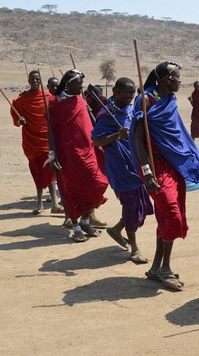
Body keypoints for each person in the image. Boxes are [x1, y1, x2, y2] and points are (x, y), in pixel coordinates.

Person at [131, 62, 199, 291]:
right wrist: (146, 171)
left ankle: (157, 267)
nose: (179, 81)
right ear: (165, 79)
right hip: (154, 166)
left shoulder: (170, 101)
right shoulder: (146, 100)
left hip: (172, 164)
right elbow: (138, 137)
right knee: (171, 214)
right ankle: (165, 268)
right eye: (176, 78)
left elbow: (176, 134)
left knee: (166, 215)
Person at [92, 77, 153, 264]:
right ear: (117, 92)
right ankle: (134, 248)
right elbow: (97, 140)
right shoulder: (106, 114)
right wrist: (116, 136)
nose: (130, 97)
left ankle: (117, 229)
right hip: (119, 165)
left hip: (135, 162)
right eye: (127, 93)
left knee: (140, 204)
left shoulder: (131, 110)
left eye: (133, 93)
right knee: (131, 204)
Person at [49, 69, 109, 242]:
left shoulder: (81, 101)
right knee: (71, 190)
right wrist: (53, 157)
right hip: (67, 155)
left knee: (98, 183)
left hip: (88, 151)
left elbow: (88, 125)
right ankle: (76, 226)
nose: (82, 87)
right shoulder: (55, 103)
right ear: (68, 85)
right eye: (78, 84)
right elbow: (51, 133)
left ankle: (85, 220)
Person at [11, 70, 62, 215]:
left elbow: (55, 114)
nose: (34, 82)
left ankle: (54, 204)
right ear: (28, 81)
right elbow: (16, 117)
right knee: (37, 172)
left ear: (40, 81)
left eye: (37, 79)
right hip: (32, 142)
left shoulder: (47, 97)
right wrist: (19, 121)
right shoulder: (22, 100)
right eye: (32, 79)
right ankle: (39, 203)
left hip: (47, 141)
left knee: (51, 172)